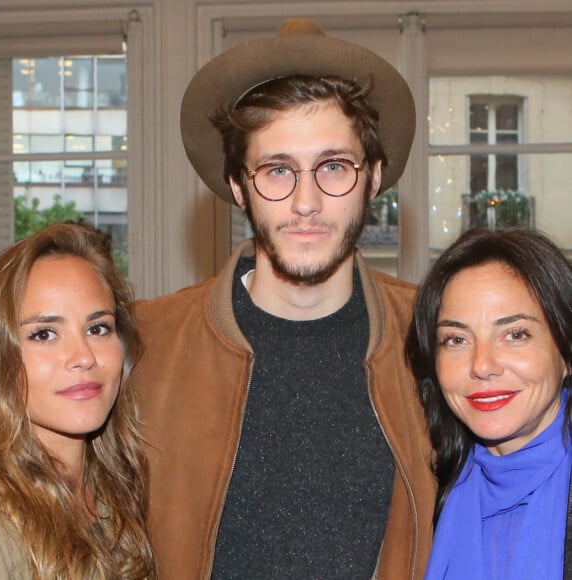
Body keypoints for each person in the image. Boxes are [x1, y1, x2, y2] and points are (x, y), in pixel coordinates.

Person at [134, 17, 435, 579]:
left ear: (373, 179)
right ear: (237, 186)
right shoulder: (148, 345)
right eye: (277, 170)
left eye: (334, 167)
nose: (305, 201)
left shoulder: (437, 338)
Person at [0, 222, 156, 578]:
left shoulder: (121, 489)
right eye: (45, 333)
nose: (83, 356)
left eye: (98, 328)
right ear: (0, 356)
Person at [406, 227, 572, 579]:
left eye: (515, 334)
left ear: (566, 353)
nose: (482, 365)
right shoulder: (424, 493)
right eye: (456, 339)